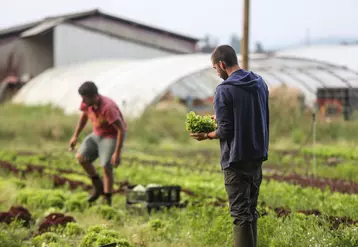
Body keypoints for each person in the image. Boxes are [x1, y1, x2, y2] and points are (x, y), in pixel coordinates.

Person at [191, 45, 269, 247]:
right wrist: (222, 117)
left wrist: (206, 135)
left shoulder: (224, 90)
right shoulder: (260, 83)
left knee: (240, 215)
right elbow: (251, 113)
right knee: (250, 211)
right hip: (257, 155)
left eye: (216, 69)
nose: (217, 73)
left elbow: (226, 131)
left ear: (221, 64)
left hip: (235, 160)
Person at [69, 81, 126, 206]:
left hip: (111, 136)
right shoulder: (87, 103)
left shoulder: (108, 108)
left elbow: (121, 129)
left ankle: (107, 199)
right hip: (97, 134)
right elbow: (84, 117)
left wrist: (117, 153)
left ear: (93, 96)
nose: (83, 100)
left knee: (106, 165)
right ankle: (97, 185)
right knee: (81, 157)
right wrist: (75, 136)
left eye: (85, 98)